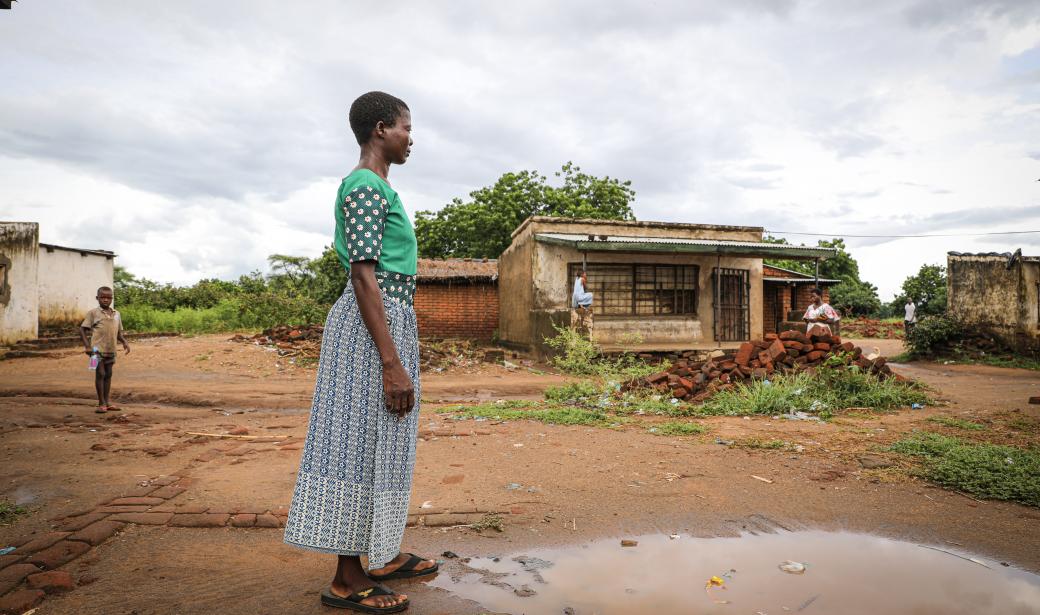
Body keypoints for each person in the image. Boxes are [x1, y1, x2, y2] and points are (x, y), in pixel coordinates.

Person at [283, 91, 435, 614]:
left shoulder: (378, 187)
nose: (410, 138)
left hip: (387, 322)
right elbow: (363, 275)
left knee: (385, 440)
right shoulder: (365, 187)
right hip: (371, 331)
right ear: (379, 129)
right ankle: (347, 578)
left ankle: (382, 553)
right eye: (405, 128)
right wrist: (391, 362)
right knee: (355, 445)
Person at [79, 286, 130, 414]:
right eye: (103, 297)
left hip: (111, 349)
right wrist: (87, 346)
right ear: (97, 298)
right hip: (95, 350)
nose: (106, 300)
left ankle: (107, 402)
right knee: (100, 373)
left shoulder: (116, 313)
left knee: (108, 374)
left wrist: (124, 342)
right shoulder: (93, 313)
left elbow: (118, 332)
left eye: (108, 298)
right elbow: (82, 329)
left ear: (112, 299)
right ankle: (101, 403)